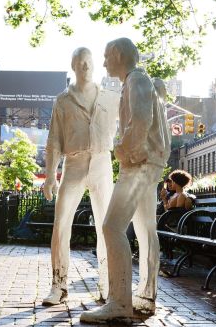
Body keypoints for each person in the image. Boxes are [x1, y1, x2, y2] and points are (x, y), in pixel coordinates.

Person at [80, 38, 169, 323]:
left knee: (111, 227)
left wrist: (123, 149)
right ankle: (146, 296)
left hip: (139, 163)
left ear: (118, 55)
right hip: (148, 163)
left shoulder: (136, 80)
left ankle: (119, 302)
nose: (104, 62)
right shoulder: (141, 80)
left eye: (107, 56)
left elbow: (140, 120)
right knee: (145, 229)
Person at [41, 47, 120, 306]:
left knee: (105, 226)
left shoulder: (110, 98)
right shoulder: (63, 101)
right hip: (73, 164)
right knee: (61, 223)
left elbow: (127, 130)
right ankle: (58, 285)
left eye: (88, 62)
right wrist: (50, 176)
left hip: (102, 163)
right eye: (80, 62)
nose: (85, 66)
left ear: (94, 65)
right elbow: (54, 140)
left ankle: (106, 285)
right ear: (73, 66)